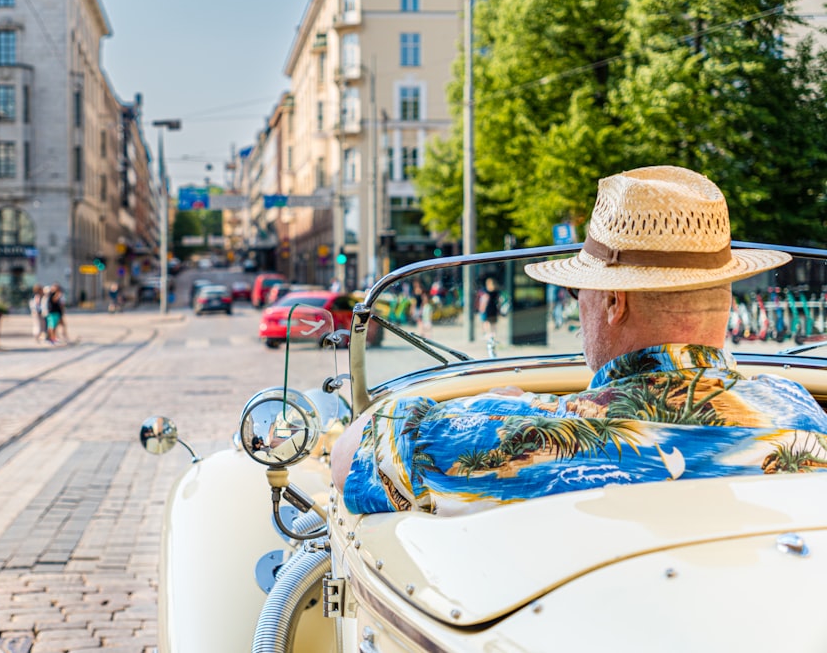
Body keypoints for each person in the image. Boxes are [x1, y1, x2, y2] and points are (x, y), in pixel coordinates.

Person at [332, 165, 827, 517]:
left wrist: (495, 405)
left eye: (578, 288)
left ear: (614, 299)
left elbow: (350, 456)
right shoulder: (800, 411)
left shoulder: (547, 434)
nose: (576, 304)